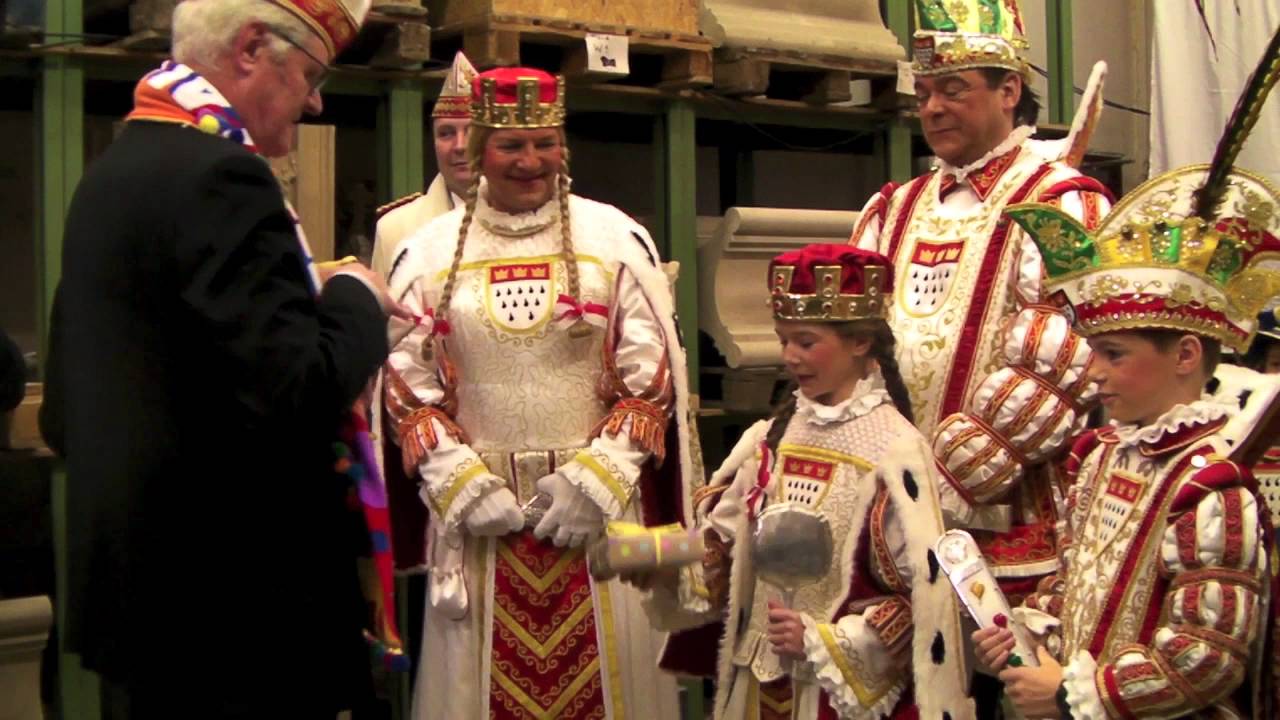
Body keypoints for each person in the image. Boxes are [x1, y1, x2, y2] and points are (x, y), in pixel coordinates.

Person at [43, 0, 406, 715]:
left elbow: (70, 403)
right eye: (308, 73)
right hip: (232, 620)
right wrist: (356, 297)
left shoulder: (119, 166)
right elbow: (298, 392)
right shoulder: (224, 179)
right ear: (249, 49)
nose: (315, 98)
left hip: (141, 608)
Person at [381, 67, 695, 719]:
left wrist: (598, 477)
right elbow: (406, 378)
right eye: (512, 146)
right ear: (478, 148)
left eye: (545, 143)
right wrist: (454, 478)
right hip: (478, 527)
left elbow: (650, 376)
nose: (532, 162)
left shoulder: (616, 241)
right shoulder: (427, 252)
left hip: (601, 523)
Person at [972, 106, 1280, 717]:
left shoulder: (1211, 489)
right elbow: (1068, 587)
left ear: (1186, 355)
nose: (1092, 371)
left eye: (1113, 354)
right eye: (1092, 352)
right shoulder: (1100, 455)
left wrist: (1069, 693)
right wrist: (1027, 641)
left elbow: (1206, 656)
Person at [631, 244, 972, 720]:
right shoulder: (770, 436)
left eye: (806, 342)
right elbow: (723, 542)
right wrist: (647, 554)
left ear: (860, 343)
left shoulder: (895, 451)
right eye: (783, 339)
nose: (790, 356)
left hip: (832, 693)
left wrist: (826, 639)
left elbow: (925, 598)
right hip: (756, 677)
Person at [850, 0, 1114, 602]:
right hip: (883, 515)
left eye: (953, 89)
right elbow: (849, 348)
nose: (933, 108)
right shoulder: (891, 208)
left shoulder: (1061, 203)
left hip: (1007, 528)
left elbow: (1056, 366)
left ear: (1009, 90)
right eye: (923, 95)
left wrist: (940, 483)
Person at [371, 51, 478, 279]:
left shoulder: (525, 218)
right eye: (446, 133)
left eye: (471, 132)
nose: (459, 145)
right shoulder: (395, 228)